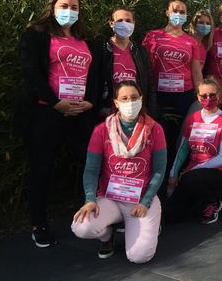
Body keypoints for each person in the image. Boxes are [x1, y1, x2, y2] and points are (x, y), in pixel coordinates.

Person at [19, 0, 101, 248]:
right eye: (64, 6)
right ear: (52, 7)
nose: (69, 11)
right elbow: (31, 73)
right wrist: (56, 103)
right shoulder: (36, 35)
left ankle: (98, 215)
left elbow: (97, 76)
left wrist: (91, 101)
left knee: (92, 162)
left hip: (80, 113)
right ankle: (39, 223)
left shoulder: (87, 40)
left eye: (74, 7)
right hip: (47, 111)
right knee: (42, 167)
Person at [71, 80, 166, 263]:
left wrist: (146, 201)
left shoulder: (155, 130)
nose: (130, 103)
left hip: (141, 200)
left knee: (139, 256)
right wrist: (90, 200)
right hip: (110, 198)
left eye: (134, 98)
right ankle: (107, 236)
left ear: (141, 99)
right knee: (82, 227)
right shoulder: (101, 131)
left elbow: (159, 170)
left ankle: (145, 222)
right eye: (124, 98)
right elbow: (91, 170)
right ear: (116, 103)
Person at [143, 0, 203, 173]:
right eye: (175, 10)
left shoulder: (191, 41)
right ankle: (154, 176)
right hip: (158, 95)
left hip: (183, 95)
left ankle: (173, 174)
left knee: (178, 138)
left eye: (182, 11)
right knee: (156, 137)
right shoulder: (153, 36)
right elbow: (144, 65)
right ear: (167, 12)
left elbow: (196, 71)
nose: (179, 14)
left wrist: (200, 96)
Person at [165, 77, 222, 223]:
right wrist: (173, 173)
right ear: (198, 97)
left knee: (190, 179)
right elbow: (183, 149)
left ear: (219, 96)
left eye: (212, 95)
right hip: (191, 174)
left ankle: (213, 202)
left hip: (219, 171)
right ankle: (200, 202)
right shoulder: (193, 118)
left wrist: (192, 171)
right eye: (204, 96)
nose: (208, 99)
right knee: (171, 214)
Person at [99, 6, 156, 118]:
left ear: (134, 23)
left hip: (135, 109)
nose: (124, 24)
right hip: (108, 111)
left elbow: (149, 83)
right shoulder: (102, 49)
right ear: (111, 23)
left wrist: (152, 111)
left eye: (128, 21)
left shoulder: (140, 51)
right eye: (120, 20)